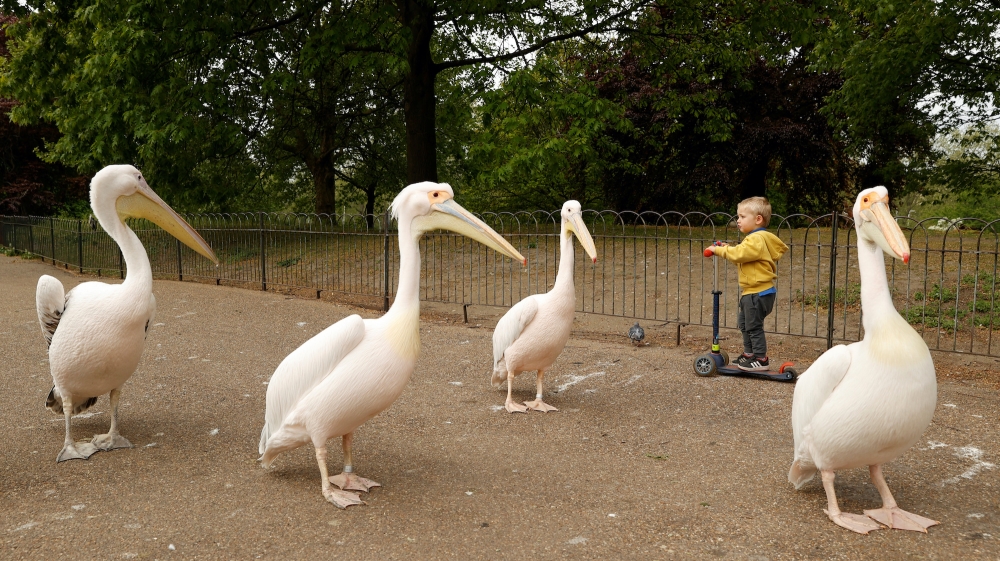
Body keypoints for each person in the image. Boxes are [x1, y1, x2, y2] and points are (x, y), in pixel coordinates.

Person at [705, 197, 788, 371]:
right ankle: (749, 354)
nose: (738, 221)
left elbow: (739, 254)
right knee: (744, 324)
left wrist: (718, 250)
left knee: (753, 326)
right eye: (738, 217)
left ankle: (761, 359)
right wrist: (729, 248)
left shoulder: (756, 239)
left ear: (758, 219)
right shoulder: (755, 239)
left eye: (742, 217)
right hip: (753, 292)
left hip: (757, 293)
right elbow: (743, 258)